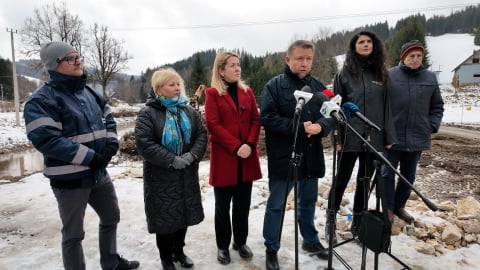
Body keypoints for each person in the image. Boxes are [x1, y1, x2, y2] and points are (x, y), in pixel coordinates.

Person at [23, 41, 139, 270]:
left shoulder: (88, 92)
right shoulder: (41, 100)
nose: (78, 61)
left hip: (98, 173)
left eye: (78, 57)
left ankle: (111, 262)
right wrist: (91, 157)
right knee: (73, 234)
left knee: (111, 216)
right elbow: (48, 140)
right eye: (71, 58)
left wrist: (111, 144)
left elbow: (109, 119)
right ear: (55, 65)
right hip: (70, 180)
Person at [260, 40, 333, 270]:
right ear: (288, 59)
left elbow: (330, 113)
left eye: (308, 59)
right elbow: (268, 118)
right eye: (299, 58)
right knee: (277, 204)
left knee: (308, 202)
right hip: (285, 156)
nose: (304, 63)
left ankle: (310, 241)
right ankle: (271, 248)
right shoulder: (274, 86)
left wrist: (322, 126)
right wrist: (300, 127)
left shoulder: (319, 85)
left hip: (311, 155)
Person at [327, 31, 397, 242]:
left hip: (373, 138)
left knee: (364, 182)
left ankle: (358, 223)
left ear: (374, 46)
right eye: (361, 42)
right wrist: (337, 139)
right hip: (350, 136)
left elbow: (387, 108)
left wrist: (388, 135)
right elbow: (334, 107)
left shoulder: (381, 74)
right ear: (354, 46)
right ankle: (330, 220)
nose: (366, 44)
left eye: (369, 42)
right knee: (341, 179)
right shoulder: (344, 74)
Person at [135, 68, 207, 270]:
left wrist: (191, 156)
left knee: (183, 215)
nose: (177, 88)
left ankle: (179, 251)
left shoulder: (188, 110)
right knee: (165, 219)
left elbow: (201, 134)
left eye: (178, 84)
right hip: (161, 177)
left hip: (186, 174)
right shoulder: (148, 114)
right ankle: (166, 258)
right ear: (159, 88)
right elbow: (145, 143)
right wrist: (172, 160)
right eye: (171, 85)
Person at [204, 51, 262, 265]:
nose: (237, 68)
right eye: (232, 65)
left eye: (238, 65)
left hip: (246, 159)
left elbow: (256, 119)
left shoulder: (247, 91)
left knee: (242, 205)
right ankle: (223, 246)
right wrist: (236, 146)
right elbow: (213, 124)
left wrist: (249, 144)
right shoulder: (212, 93)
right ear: (221, 70)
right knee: (222, 207)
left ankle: (240, 241)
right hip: (225, 160)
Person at [381, 40, 444, 223]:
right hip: (392, 136)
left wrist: (431, 125)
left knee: (408, 175)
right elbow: (381, 105)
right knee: (387, 174)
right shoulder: (390, 75)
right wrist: (384, 130)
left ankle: (400, 206)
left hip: (418, 136)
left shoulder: (430, 78)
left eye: (419, 56)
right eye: (411, 56)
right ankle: (388, 208)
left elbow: (437, 105)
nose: (415, 59)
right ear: (403, 57)